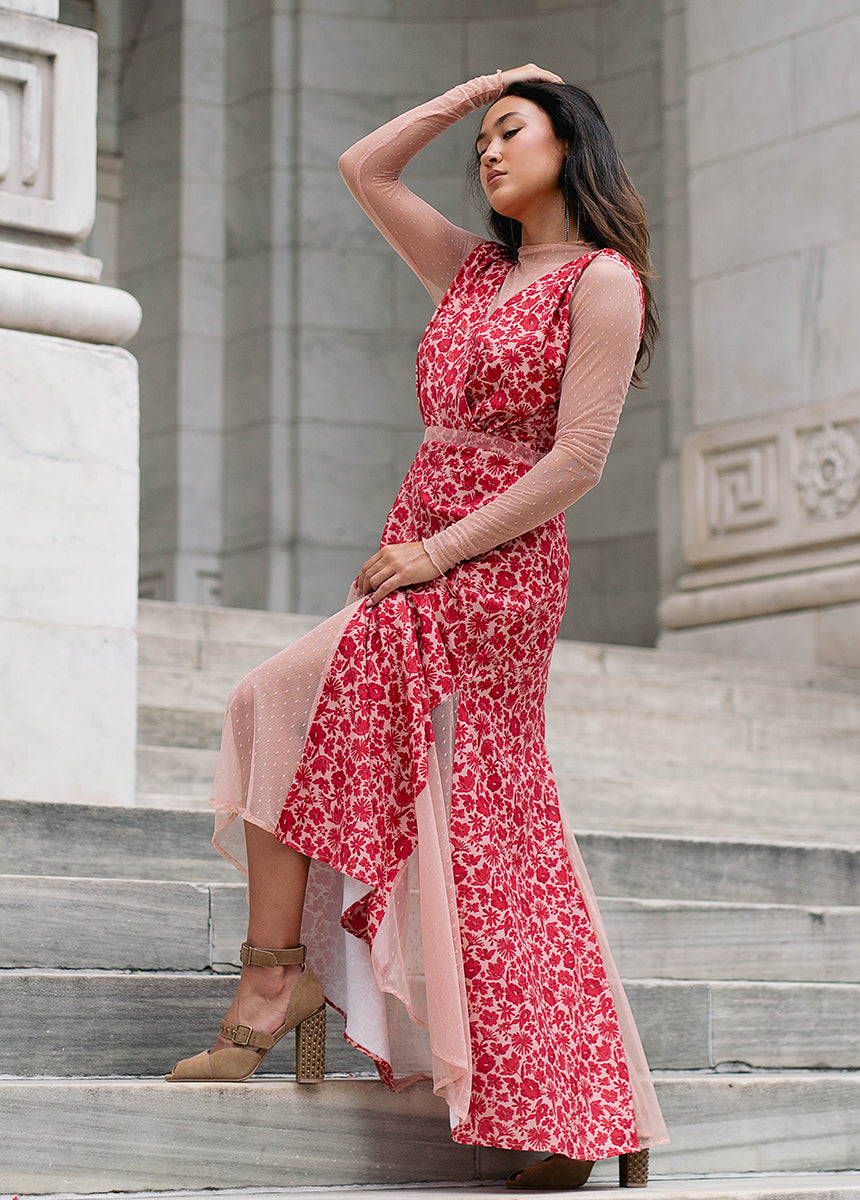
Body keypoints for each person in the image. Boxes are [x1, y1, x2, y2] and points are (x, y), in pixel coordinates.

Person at [165, 63, 669, 1191]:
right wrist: (482, 83)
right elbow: (362, 166)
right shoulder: (470, 269)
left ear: (568, 146)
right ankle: (568, 1094)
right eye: (479, 138)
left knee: (274, 700)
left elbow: (577, 462)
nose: (486, 151)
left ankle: (275, 981)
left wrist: (437, 555)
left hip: (490, 572)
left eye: (510, 130)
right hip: (415, 548)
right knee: (486, 814)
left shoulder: (602, 281)